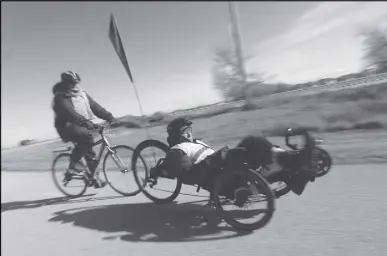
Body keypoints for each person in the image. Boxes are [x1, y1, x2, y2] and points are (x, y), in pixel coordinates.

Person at [152, 117, 310, 196]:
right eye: (185, 131)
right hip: (214, 173)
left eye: (190, 130)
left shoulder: (197, 142)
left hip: (221, 165)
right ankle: (289, 160)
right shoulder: (177, 149)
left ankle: (292, 172)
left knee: (251, 141)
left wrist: (217, 157)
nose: (189, 133)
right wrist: (157, 171)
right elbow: (187, 174)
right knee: (251, 144)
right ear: (175, 135)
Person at [52, 71, 116, 188]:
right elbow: (70, 113)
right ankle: (74, 166)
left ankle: (94, 178)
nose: (75, 85)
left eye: (76, 82)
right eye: (71, 83)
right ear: (65, 84)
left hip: (82, 124)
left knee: (90, 151)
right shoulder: (60, 97)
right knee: (86, 139)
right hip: (67, 126)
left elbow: (96, 107)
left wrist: (109, 116)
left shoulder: (83, 94)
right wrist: (85, 122)